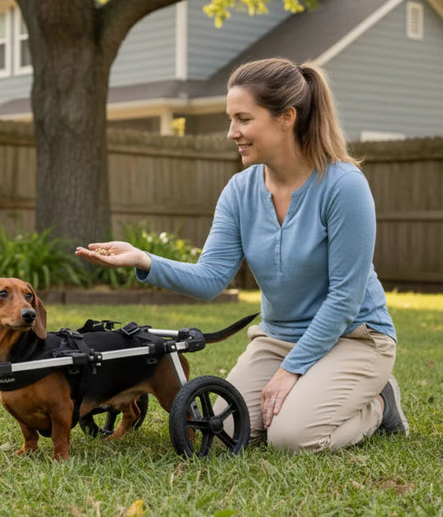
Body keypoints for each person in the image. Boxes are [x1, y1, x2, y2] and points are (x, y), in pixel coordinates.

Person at [75, 57, 407, 453]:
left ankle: (380, 403)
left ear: (287, 117)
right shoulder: (240, 190)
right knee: (228, 434)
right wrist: (144, 260)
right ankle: (314, 390)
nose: (233, 132)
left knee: (292, 438)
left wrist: (290, 372)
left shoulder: (344, 186)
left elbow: (345, 297)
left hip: (353, 338)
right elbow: (212, 278)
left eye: (244, 119)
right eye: (231, 120)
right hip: (278, 338)